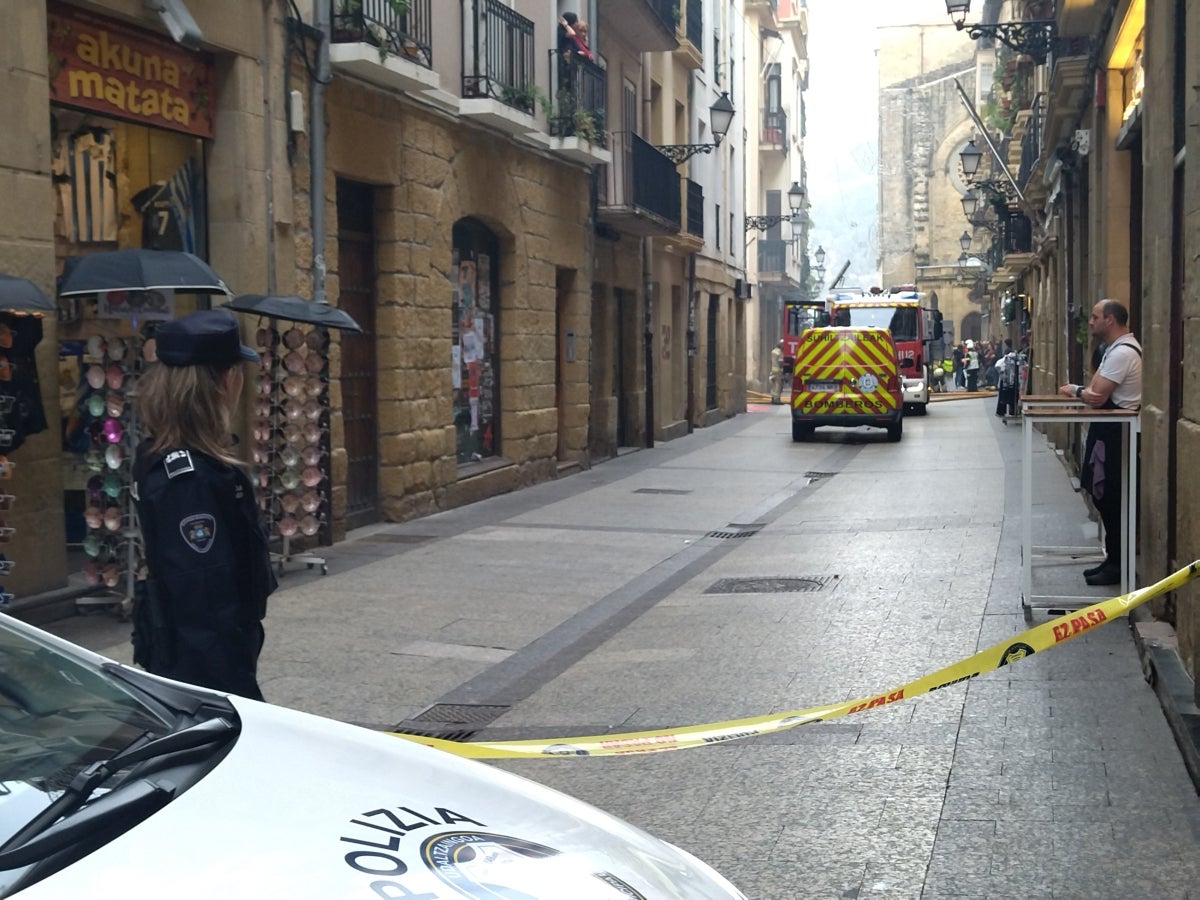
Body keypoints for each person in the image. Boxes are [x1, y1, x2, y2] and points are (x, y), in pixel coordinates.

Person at [131, 309, 277, 699]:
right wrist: (239, 697)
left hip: (201, 659)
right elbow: (206, 599)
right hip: (205, 669)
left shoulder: (179, 459)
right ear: (224, 381)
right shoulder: (189, 477)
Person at [1058, 299, 1142, 586]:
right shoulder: (1113, 351)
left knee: (1110, 496)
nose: (1090, 322)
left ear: (1111, 320)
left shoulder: (1122, 354)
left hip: (1116, 433)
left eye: (1095, 317)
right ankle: (1114, 559)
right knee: (1102, 495)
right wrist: (1088, 390)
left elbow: (1097, 395)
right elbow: (1097, 390)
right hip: (1109, 429)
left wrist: (1075, 390)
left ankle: (1119, 564)